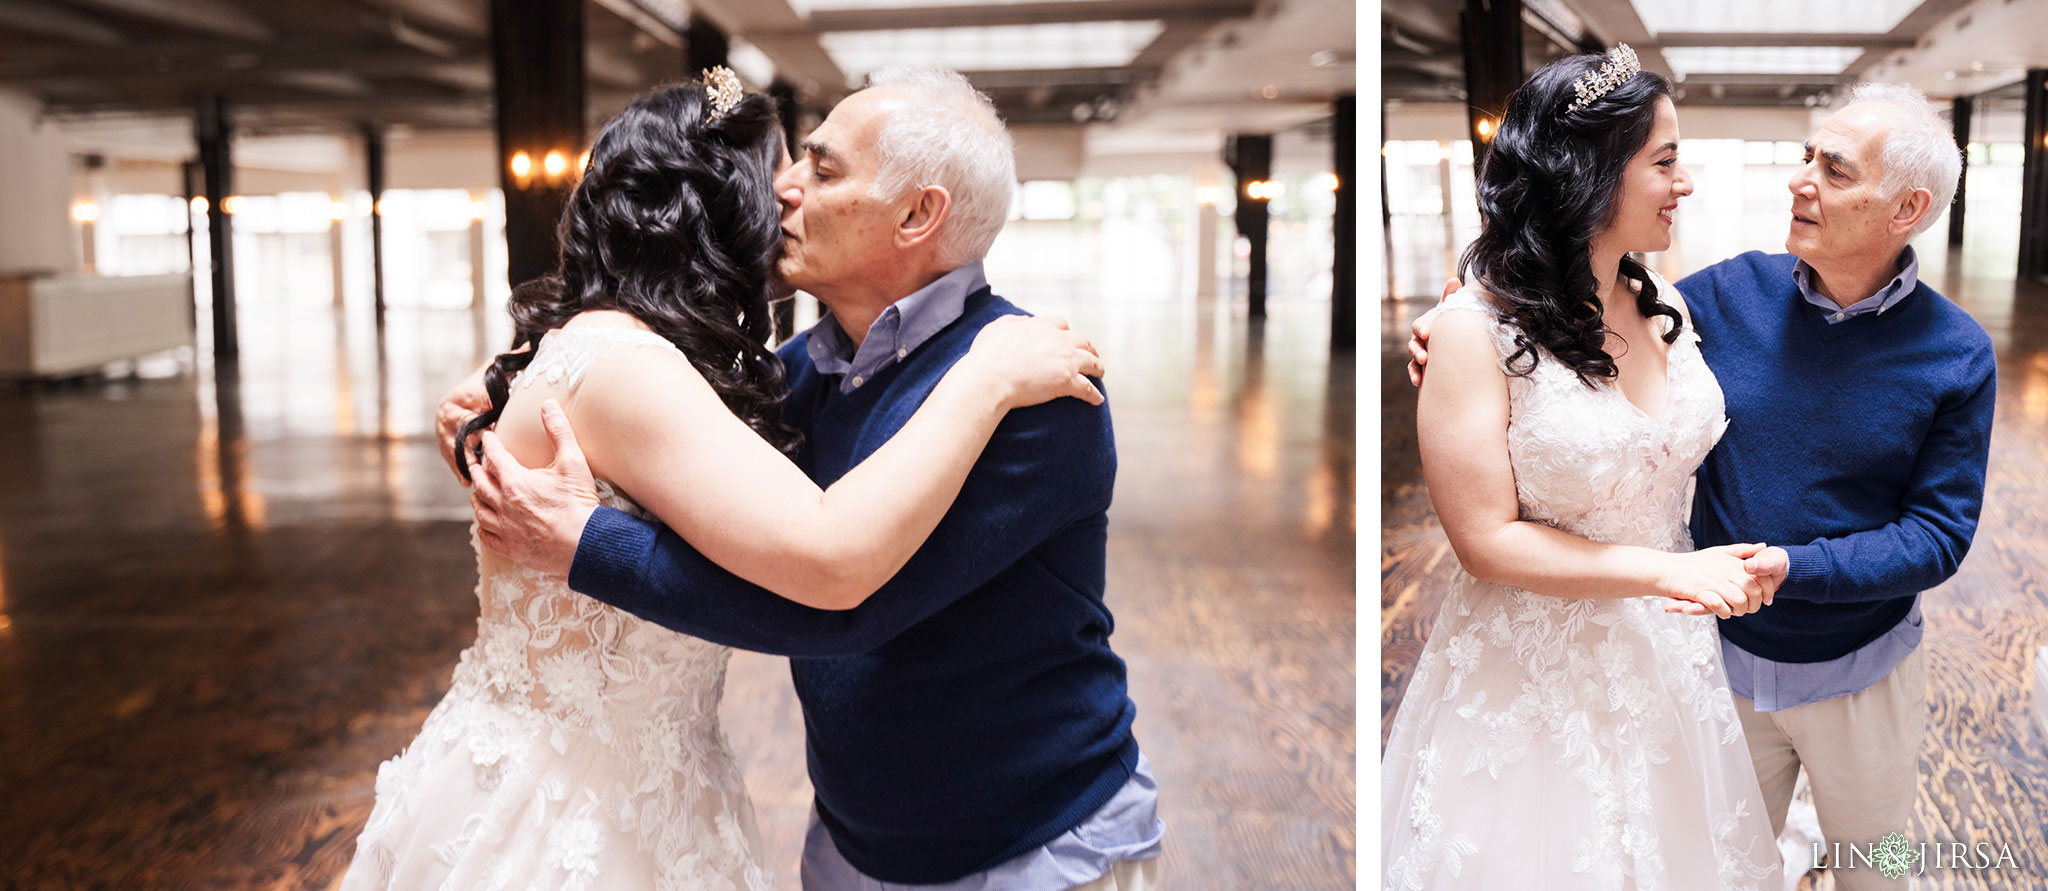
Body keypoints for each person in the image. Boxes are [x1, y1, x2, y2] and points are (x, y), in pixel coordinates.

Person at [343, 71, 1110, 890]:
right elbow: (622, 390)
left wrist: (584, 539)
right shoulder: (799, 376)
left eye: (820, 170)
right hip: (800, 835)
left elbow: (843, 603)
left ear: (918, 214)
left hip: (1029, 847)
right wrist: (503, 396)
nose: (787, 191)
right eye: (786, 167)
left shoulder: (1032, 389)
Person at [1407, 82, 1997, 891]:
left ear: (1906, 208)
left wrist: (1796, 568)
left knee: (1877, 859)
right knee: (1711, 861)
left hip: (1861, 666)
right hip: (1715, 662)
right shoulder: (1718, 296)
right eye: (1804, 157)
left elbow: (1939, 534)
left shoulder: (1957, 352)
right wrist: (1452, 321)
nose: (1800, 180)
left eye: (1832, 168)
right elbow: (1565, 320)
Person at [1380, 45, 1784, 890]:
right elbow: (1485, 542)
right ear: (1589, 173)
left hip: (1671, 657)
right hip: (1532, 677)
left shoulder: (1665, 301)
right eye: (1665, 161)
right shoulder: (1472, 332)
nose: (1687, 182)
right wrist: (1675, 574)